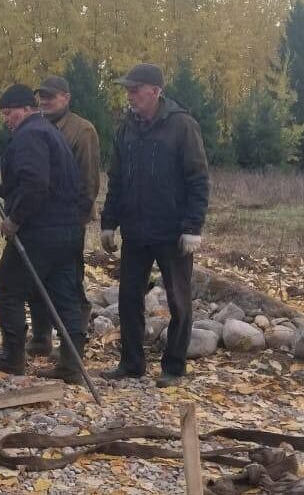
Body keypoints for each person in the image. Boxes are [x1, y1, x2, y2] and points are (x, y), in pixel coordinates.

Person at [99, 63, 210, 388]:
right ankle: (132, 363)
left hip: (172, 232)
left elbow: (198, 179)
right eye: (128, 90)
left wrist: (193, 227)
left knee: (179, 300)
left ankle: (174, 368)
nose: (130, 96)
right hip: (135, 230)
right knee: (129, 297)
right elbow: (116, 179)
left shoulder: (182, 126)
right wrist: (109, 223)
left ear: (155, 91)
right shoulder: (126, 129)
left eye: (136, 89)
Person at [0, 84, 85, 382]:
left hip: (39, 232)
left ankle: (12, 357)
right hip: (66, 230)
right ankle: (72, 365)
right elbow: (42, 181)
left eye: (9, 112)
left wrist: (14, 219)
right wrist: (0, 190)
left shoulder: (29, 135)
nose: (5, 119)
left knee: (7, 290)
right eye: (2, 113)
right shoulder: (50, 133)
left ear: (26, 108)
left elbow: (36, 184)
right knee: (64, 297)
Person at [27, 75, 100, 359]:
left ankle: (72, 347)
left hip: (68, 222)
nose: (44, 101)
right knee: (36, 279)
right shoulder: (36, 126)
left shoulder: (83, 131)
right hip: (39, 222)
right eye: (41, 97)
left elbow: (88, 181)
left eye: (51, 96)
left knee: (69, 283)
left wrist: (77, 220)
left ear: (66, 97)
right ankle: (40, 337)